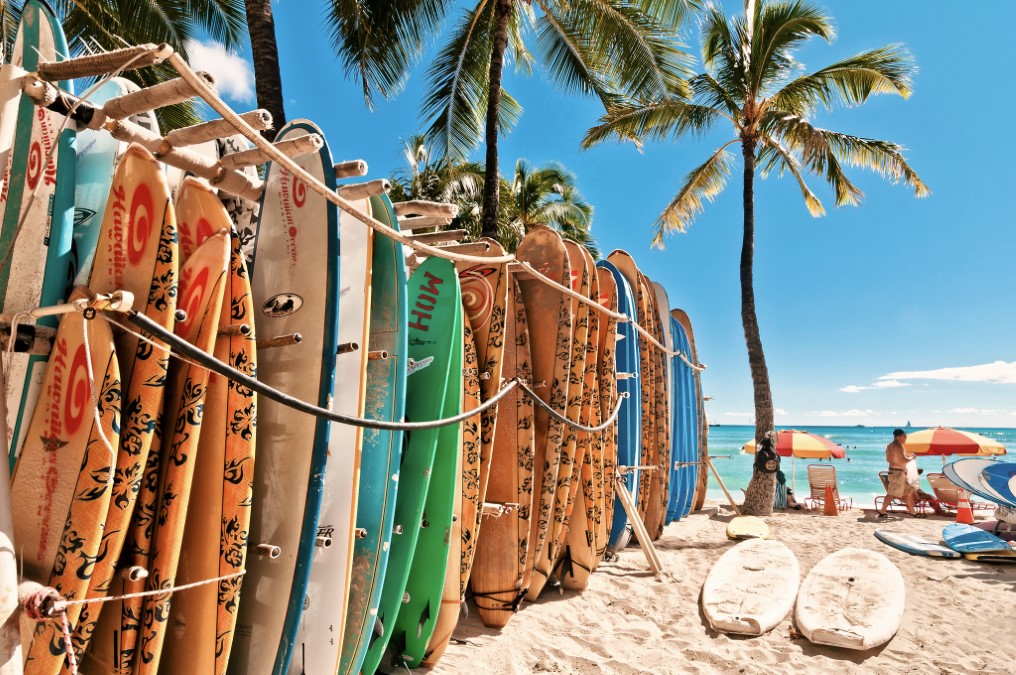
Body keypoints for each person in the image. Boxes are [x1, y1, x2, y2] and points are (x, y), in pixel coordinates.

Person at [877, 429, 923, 518]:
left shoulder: (890, 446)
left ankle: (913, 512)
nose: (905, 438)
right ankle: (882, 511)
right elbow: (903, 460)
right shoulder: (898, 446)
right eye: (904, 436)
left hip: (895, 471)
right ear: (898, 437)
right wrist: (912, 458)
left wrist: (907, 457)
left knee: (909, 491)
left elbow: (888, 459)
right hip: (897, 473)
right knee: (892, 493)